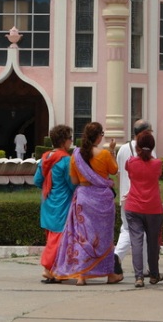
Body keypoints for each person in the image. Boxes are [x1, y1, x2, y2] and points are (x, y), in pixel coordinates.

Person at [53, 122, 122, 285]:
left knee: (81, 236)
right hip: (102, 200)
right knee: (104, 237)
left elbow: (74, 180)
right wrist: (112, 150)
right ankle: (110, 274)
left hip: (83, 197)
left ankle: (81, 276)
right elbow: (113, 170)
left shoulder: (75, 155)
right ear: (99, 136)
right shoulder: (104, 154)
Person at [33, 124, 75, 283]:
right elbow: (72, 183)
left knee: (51, 236)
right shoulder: (65, 160)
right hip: (62, 202)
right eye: (70, 138)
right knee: (58, 238)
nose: (71, 142)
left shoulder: (45, 157)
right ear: (64, 141)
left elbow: (37, 180)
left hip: (47, 200)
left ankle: (54, 272)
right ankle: (48, 268)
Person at [124, 131, 163, 287]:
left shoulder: (131, 162)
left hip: (133, 206)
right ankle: (154, 275)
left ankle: (138, 277)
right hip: (153, 207)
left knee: (136, 242)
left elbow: (129, 171)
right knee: (153, 243)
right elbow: (155, 169)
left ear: (138, 147)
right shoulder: (157, 163)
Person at [115, 120, 152, 276]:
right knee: (138, 232)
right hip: (141, 197)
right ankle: (116, 256)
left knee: (129, 230)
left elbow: (118, 174)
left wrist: (122, 191)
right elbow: (153, 175)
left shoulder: (122, 149)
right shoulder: (148, 149)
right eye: (149, 131)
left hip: (125, 196)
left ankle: (142, 268)